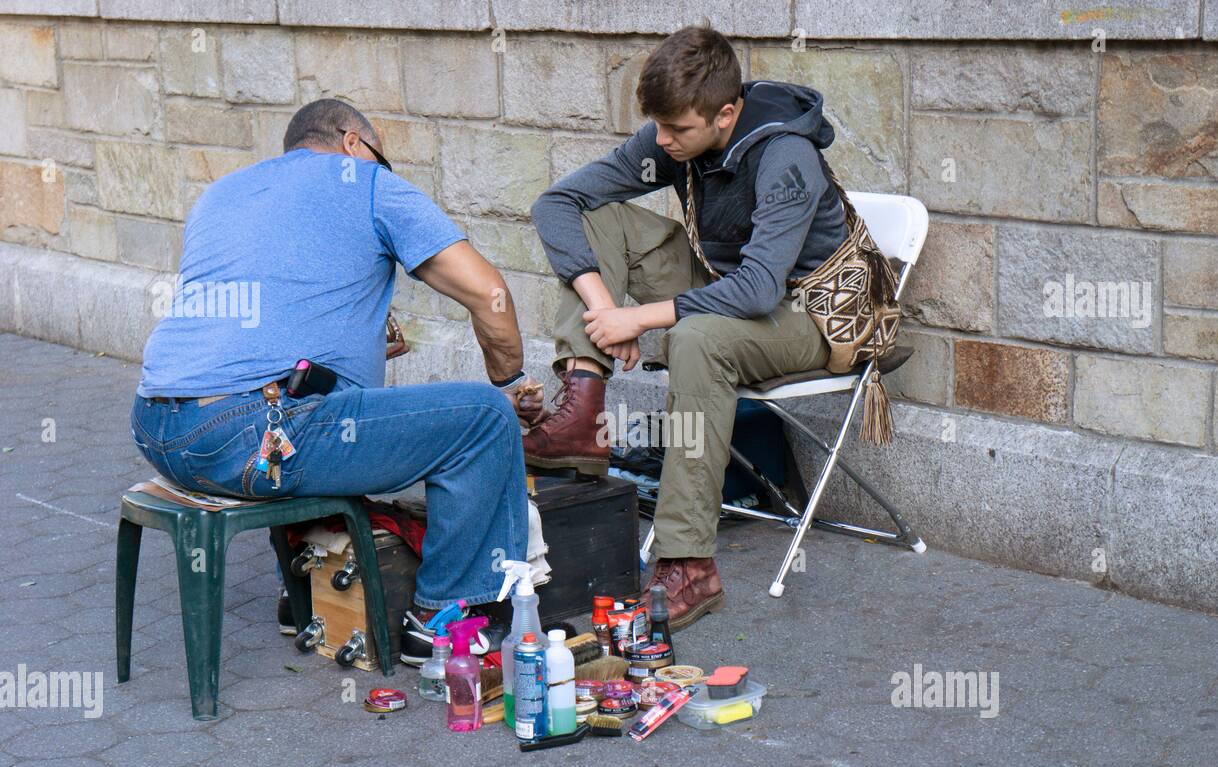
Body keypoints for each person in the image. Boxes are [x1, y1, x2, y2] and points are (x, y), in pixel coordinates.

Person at [130, 98, 543, 664]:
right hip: (250, 436)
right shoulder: (368, 182)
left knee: (334, 415)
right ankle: (441, 619)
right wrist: (510, 380)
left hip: (158, 428)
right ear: (353, 142)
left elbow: (250, 329)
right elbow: (487, 294)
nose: (380, 168)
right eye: (379, 157)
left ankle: (303, 593)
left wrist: (357, 345)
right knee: (481, 419)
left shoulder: (223, 193)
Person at [526, 27, 846, 629]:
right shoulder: (674, 134)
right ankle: (583, 415)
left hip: (810, 311)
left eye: (679, 131)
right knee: (601, 218)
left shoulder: (786, 156)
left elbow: (758, 290)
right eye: (660, 128)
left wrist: (639, 318)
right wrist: (604, 313)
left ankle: (688, 562)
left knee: (697, 339)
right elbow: (556, 204)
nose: (663, 142)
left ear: (725, 114)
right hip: (727, 283)